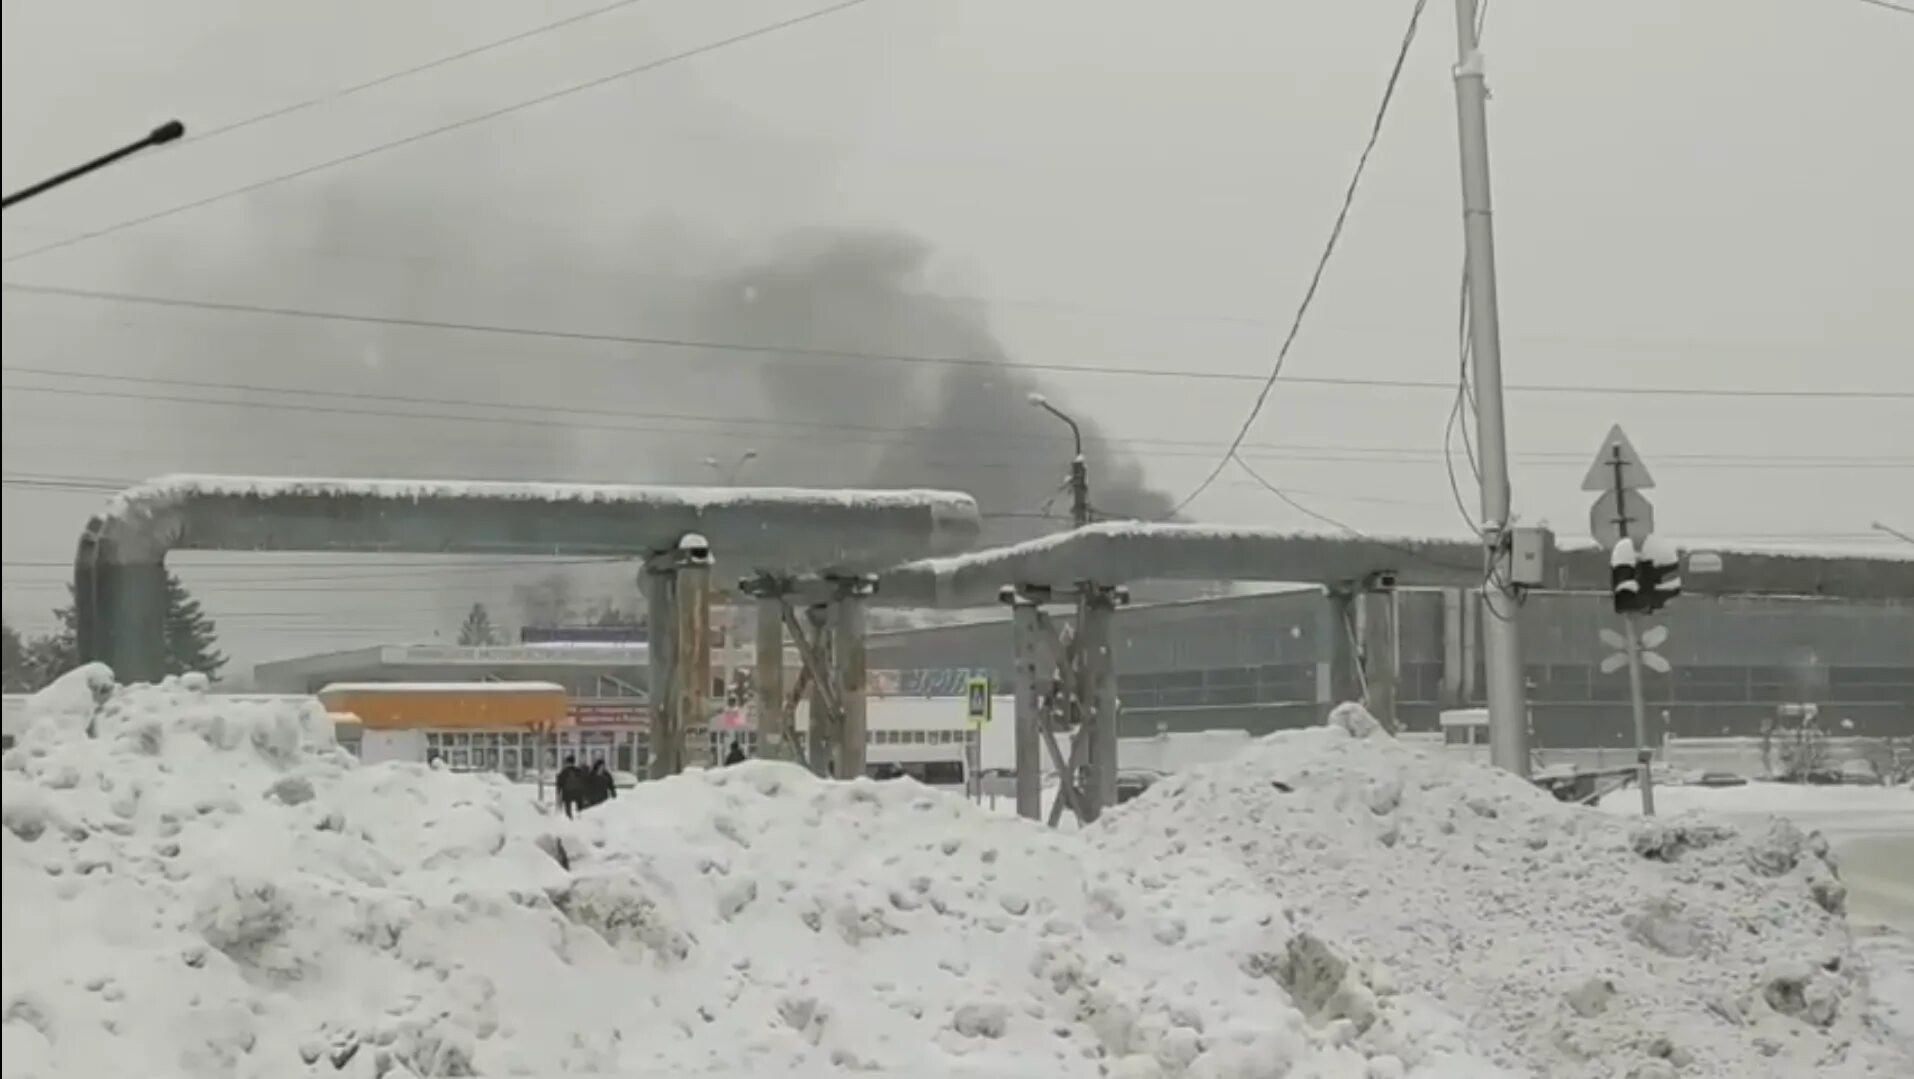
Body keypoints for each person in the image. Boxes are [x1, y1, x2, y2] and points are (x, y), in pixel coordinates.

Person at [555, 754, 583, 819]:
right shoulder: (578, 771)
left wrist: (558, 793)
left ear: (567, 762)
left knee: (568, 808)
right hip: (577, 793)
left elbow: (560, 783)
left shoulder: (564, 771)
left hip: (567, 793)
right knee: (580, 808)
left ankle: (569, 817)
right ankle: (580, 818)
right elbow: (582, 782)